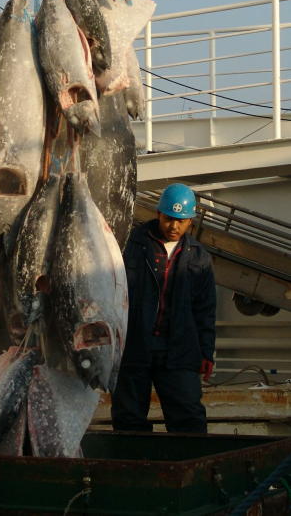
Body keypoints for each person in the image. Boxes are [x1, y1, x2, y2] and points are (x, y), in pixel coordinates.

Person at [111, 183, 216, 433]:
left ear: (191, 220)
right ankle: (133, 469)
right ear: (158, 214)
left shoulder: (200, 258)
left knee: (188, 420)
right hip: (134, 346)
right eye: (169, 218)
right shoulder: (128, 247)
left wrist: (206, 353)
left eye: (181, 220)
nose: (174, 226)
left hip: (180, 348)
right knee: (128, 419)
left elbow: (205, 310)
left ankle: (188, 468)